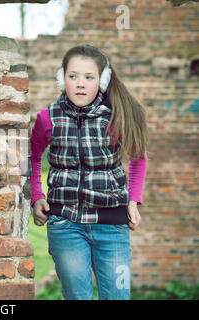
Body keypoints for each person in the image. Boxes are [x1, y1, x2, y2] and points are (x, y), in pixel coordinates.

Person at [30, 44, 148, 300]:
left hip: (112, 226)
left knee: (118, 296)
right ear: (62, 78)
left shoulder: (117, 116)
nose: (80, 84)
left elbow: (138, 157)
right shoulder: (47, 118)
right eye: (73, 76)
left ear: (103, 80)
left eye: (89, 77)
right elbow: (33, 157)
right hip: (66, 224)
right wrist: (36, 195)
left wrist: (133, 200)